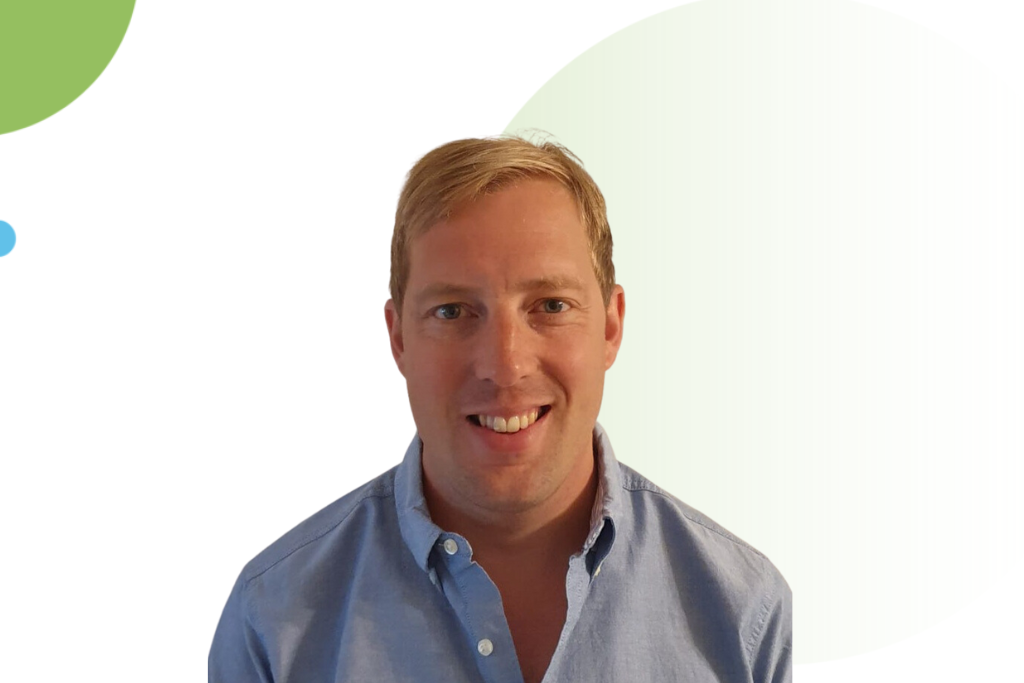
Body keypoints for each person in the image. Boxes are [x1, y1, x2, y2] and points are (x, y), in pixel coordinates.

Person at [209, 136, 792, 683]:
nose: (505, 365)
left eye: (550, 305)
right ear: (398, 338)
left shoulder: (744, 611)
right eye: (452, 311)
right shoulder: (272, 620)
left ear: (611, 328)